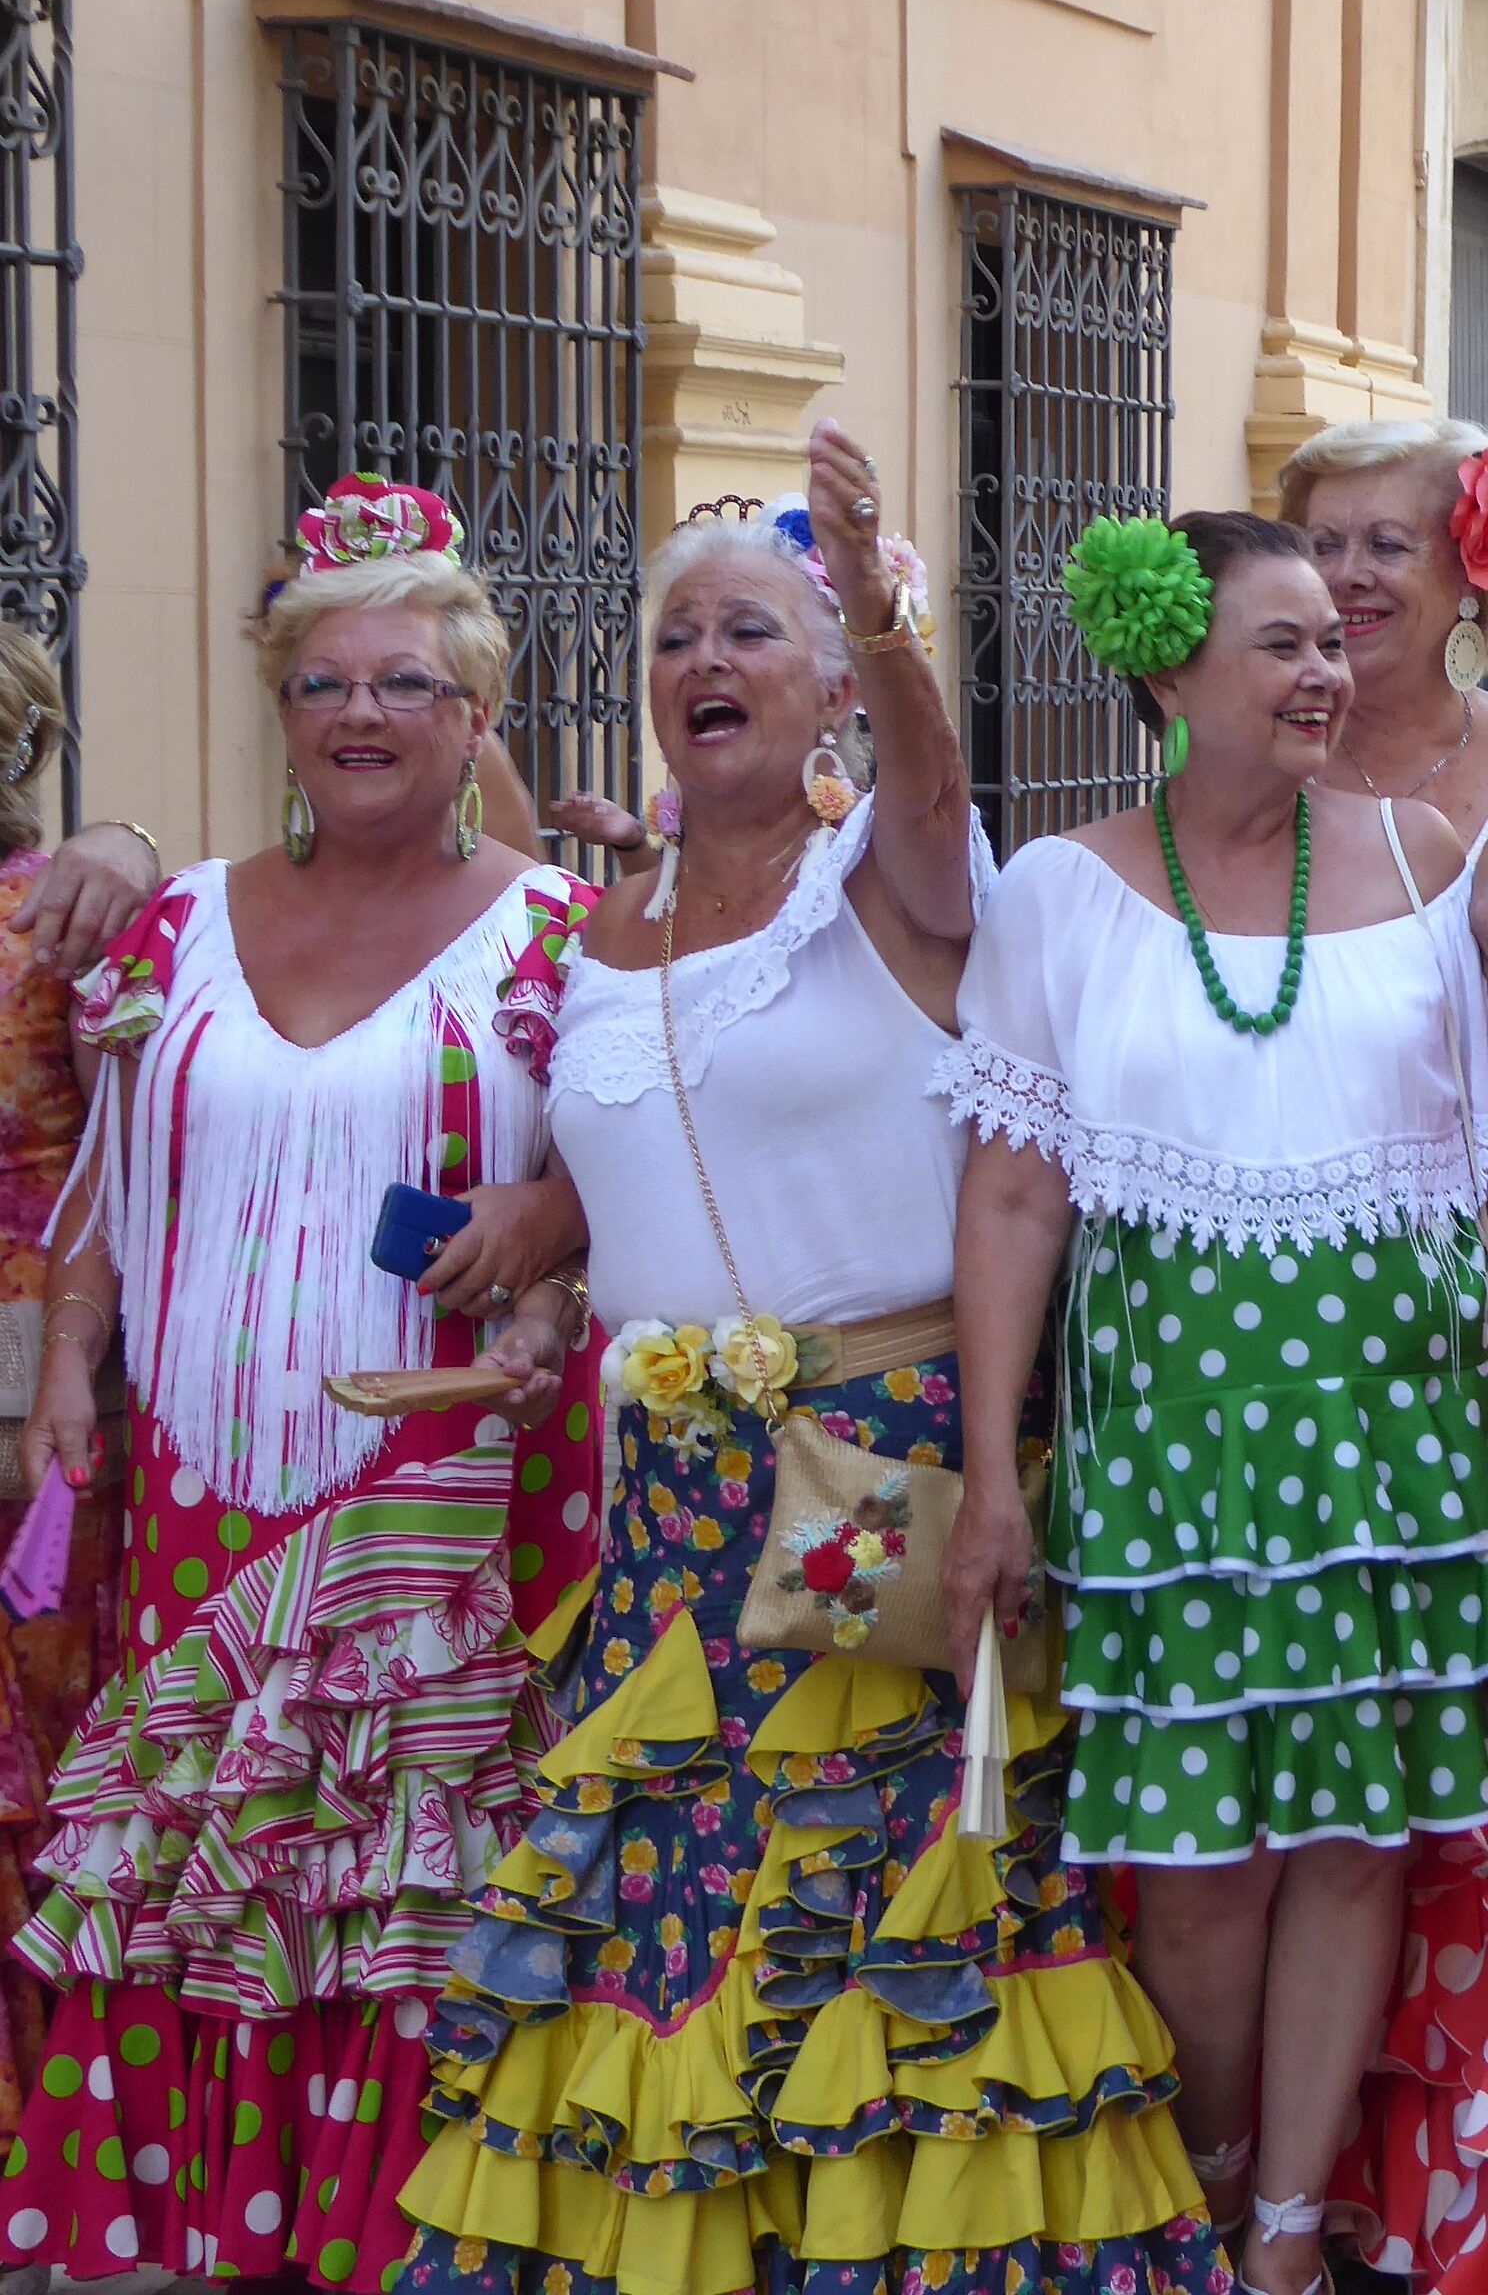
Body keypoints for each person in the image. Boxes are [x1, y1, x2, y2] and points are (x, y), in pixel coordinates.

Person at [394, 423, 1230, 2295]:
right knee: (677, 1900)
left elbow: (933, 789)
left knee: (885, 1893)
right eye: (678, 638)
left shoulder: (890, 877)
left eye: (754, 632)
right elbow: (634, 1167)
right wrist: (544, 1294)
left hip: (875, 1471)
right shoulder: (596, 927)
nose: (706, 662)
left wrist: (879, 602)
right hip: (669, 1505)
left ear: (835, 685)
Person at [0, 474, 602, 2292]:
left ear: (476, 718)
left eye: (407, 683)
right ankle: (224, 2226)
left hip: (435, 1497)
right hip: (200, 1486)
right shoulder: (174, 921)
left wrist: (550, 1226)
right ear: (279, 711)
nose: (361, 713)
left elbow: (643, 1166)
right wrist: (70, 1364)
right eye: (324, 682)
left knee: (405, 1871)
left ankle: (403, 2232)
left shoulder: (562, 935)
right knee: (207, 1864)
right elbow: (112, 1177)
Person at [936, 506, 1488, 2295]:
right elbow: (1013, 1195)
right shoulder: (1059, 891)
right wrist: (992, 1477)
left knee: (1352, 1840)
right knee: (1195, 1870)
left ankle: (1281, 2241)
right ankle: (1201, 2185)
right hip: (1170, 1443)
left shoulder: (1424, 859)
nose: (1325, 670)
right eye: (1282, 643)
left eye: (1333, 639)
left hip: (1396, 1438)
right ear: (1169, 673)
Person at [0, 628, 123, 2162]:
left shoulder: (69, 922)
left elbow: (116, 1164)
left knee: (50, 1741)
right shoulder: (76, 911)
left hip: (45, 1393)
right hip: (59, 1379)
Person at [1279, 417, 1488, 853]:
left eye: (1386, 545)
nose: (1347, 574)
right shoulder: (1260, 751)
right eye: (1324, 545)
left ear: (1470, 572)